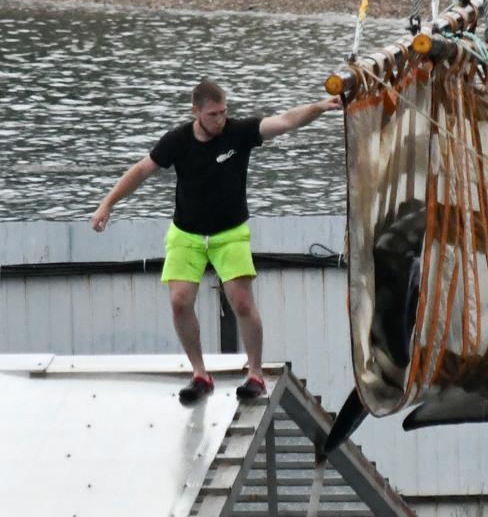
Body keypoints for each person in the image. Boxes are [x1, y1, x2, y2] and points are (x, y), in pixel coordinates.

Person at [90, 79, 342, 403]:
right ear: (195, 110)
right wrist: (106, 205)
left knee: (242, 302)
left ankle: (255, 374)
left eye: (223, 112)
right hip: (186, 234)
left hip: (229, 233)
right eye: (212, 114)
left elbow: (285, 121)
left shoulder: (239, 133)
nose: (220, 120)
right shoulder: (178, 140)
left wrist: (321, 107)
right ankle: (199, 374)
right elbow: (141, 171)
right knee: (180, 301)